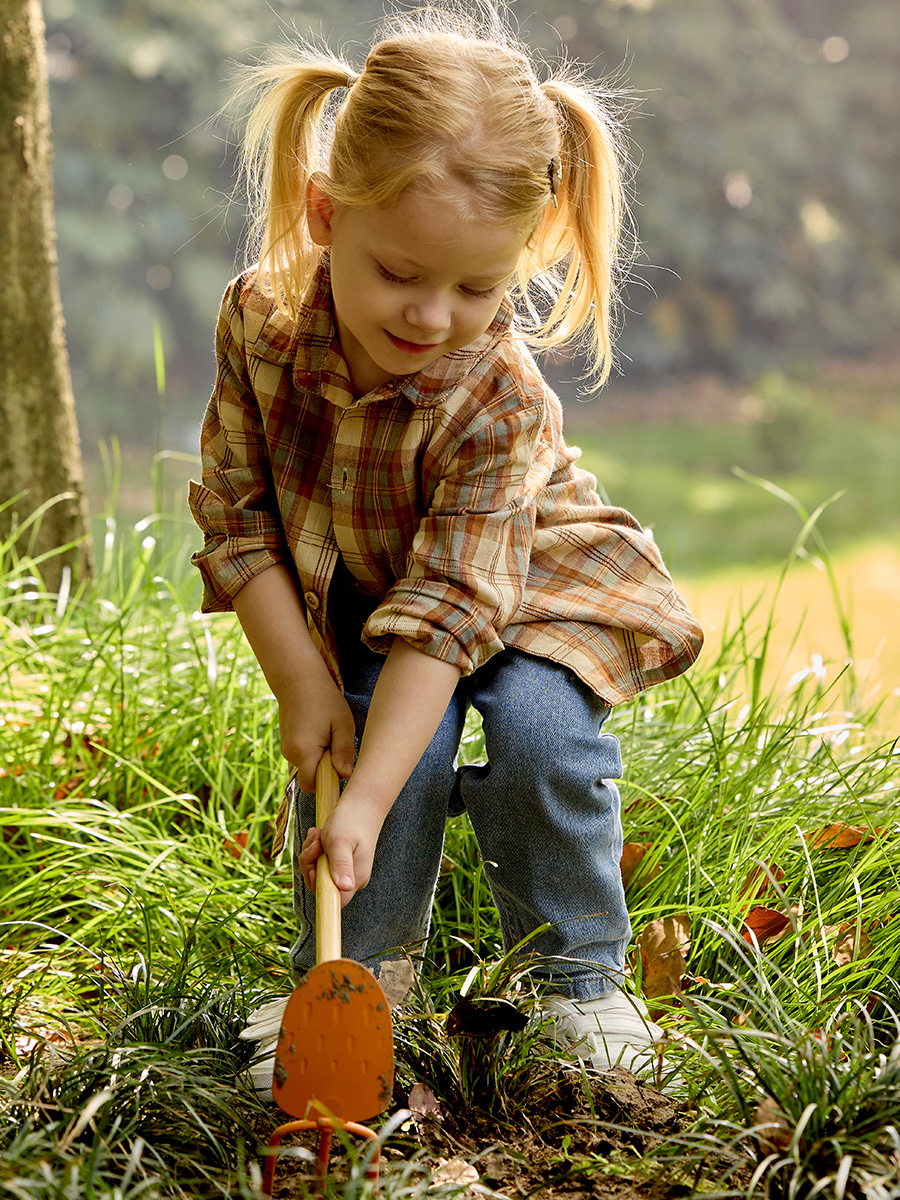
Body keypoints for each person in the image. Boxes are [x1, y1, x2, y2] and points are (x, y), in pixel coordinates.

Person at [188, 4, 703, 1092]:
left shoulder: (497, 395)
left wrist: (368, 800)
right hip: (381, 596)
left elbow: (454, 609)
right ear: (325, 213)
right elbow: (239, 516)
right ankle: (352, 983)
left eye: (477, 288)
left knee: (542, 739)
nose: (431, 316)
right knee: (374, 747)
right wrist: (302, 686)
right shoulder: (259, 325)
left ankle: (576, 985)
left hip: (527, 588)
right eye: (400, 272)